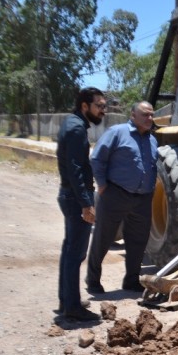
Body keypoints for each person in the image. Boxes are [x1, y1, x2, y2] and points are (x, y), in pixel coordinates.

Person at [86, 101, 158, 295]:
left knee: (138, 241)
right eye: (145, 114)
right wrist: (101, 184)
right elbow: (97, 158)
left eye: (152, 115)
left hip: (142, 199)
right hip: (115, 194)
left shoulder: (152, 139)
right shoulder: (117, 132)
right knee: (103, 238)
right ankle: (92, 280)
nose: (150, 118)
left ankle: (131, 281)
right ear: (133, 115)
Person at [56, 87, 106, 322]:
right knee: (75, 253)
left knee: (69, 251)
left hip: (69, 195)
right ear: (85, 106)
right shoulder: (76, 128)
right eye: (99, 106)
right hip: (76, 199)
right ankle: (72, 308)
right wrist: (87, 204)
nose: (103, 111)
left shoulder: (71, 124)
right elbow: (76, 169)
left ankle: (67, 300)